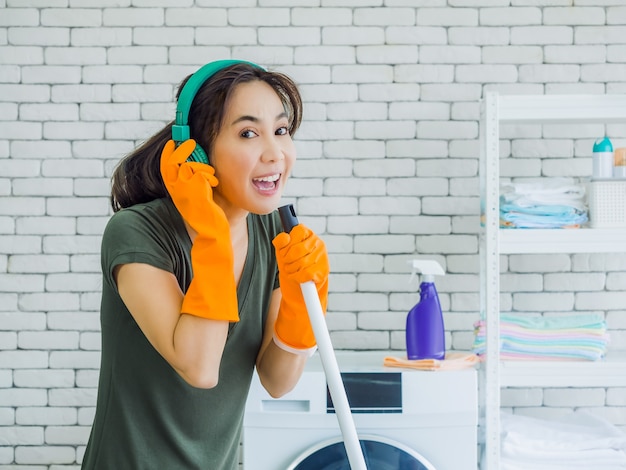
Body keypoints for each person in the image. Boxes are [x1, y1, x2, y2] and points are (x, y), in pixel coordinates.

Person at [81, 60, 329, 469]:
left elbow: (278, 380)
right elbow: (199, 367)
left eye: (281, 130)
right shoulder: (137, 232)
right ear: (196, 149)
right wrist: (213, 236)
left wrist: (304, 306)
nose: (275, 153)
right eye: (248, 133)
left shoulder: (271, 235)